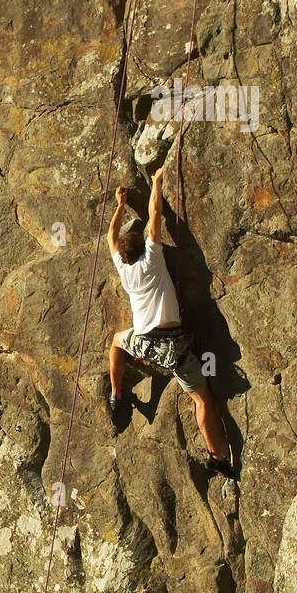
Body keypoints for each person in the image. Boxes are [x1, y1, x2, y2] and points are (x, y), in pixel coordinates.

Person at [106, 168, 235, 478]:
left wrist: (119, 205)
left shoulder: (124, 270)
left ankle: (116, 394)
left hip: (144, 341)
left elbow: (111, 237)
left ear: (124, 257)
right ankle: (218, 456)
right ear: (142, 247)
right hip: (174, 345)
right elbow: (155, 213)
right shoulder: (152, 256)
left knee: (115, 341)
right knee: (203, 400)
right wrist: (157, 182)